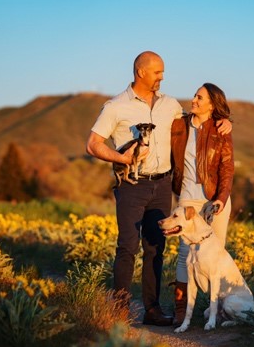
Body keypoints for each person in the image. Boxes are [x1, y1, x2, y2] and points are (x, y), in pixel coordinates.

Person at [86, 51, 231, 326]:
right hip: (131, 185)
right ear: (141, 72)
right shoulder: (115, 106)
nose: (162, 77)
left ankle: (152, 310)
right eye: (157, 72)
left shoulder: (170, 105)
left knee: (156, 247)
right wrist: (123, 158)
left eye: (163, 72)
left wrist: (224, 120)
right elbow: (92, 144)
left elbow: (199, 119)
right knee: (127, 247)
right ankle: (119, 311)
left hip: (162, 184)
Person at [169, 83, 235, 326]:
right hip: (187, 197)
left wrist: (221, 197)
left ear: (211, 104)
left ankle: (215, 312)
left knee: (215, 254)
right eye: (195, 95)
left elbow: (227, 168)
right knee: (185, 254)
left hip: (214, 200)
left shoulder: (221, 130)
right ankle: (180, 309)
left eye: (200, 97)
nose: (193, 100)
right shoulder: (178, 125)